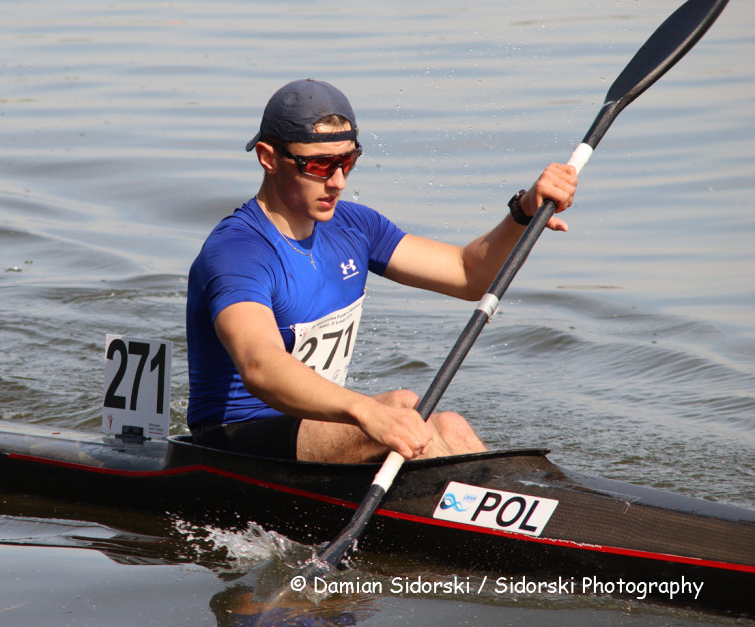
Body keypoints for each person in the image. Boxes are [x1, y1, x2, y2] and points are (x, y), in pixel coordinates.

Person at [186, 78, 577, 463]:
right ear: (268, 158)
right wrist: (366, 411)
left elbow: (468, 274)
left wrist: (523, 213)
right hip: (235, 441)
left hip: (314, 425)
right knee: (403, 406)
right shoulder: (238, 251)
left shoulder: (354, 225)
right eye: (320, 165)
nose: (337, 182)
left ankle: (514, 508)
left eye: (348, 161)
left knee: (452, 425)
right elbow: (259, 365)